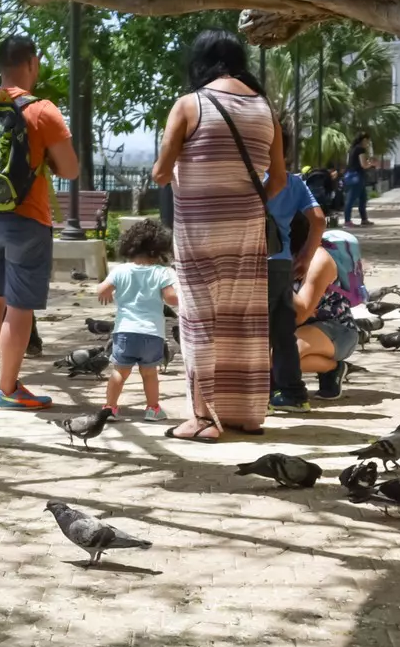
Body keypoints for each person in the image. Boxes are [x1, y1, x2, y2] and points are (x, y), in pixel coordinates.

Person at [151, 30, 284, 442]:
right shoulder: (265, 109)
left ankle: (204, 418)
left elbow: (160, 172)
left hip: (199, 229)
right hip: (246, 226)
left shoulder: (190, 104)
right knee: (244, 318)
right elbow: (278, 179)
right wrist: (242, 198)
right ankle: (246, 414)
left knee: (199, 318)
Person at [0, 34, 78, 411]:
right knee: (19, 306)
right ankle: (7, 389)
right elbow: (70, 170)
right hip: (27, 219)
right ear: (32, 63)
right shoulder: (43, 111)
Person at [94, 218, 178, 421]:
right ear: (158, 249)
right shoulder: (163, 272)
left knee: (119, 373)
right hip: (151, 334)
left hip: (124, 332)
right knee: (149, 374)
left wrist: (107, 294)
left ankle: (110, 408)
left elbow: (102, 289)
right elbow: (171, 298)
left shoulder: (121, 270)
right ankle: (152, 409)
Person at [265, 156, 325, 412]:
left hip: (251, 264)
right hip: (281, 263)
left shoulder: (249, 179)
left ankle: (256, 395)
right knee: (282, 333)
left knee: (253, 333)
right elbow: (319, 219)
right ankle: (293, 394)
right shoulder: (295, 183)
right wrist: (306, 255)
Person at [291, 226, 365, 399]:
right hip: (296, 327)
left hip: (337, 330)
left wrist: (275, 278)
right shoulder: (281, 255)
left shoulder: (319, 259)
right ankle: (330, 368)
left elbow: (301, 313)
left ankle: (333, 369)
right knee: (266, 357)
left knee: (275, 358)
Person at [341, 132, 377, 227]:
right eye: (367, 141)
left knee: (363, 198)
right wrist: (371, 164)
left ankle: (364, 219)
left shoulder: (352, 149)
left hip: (350, 175)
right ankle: (347, 221)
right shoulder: (360, 149)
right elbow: (363, 165)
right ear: (364, 140)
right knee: (351, 199)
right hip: (356, 176)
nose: (368, 144)